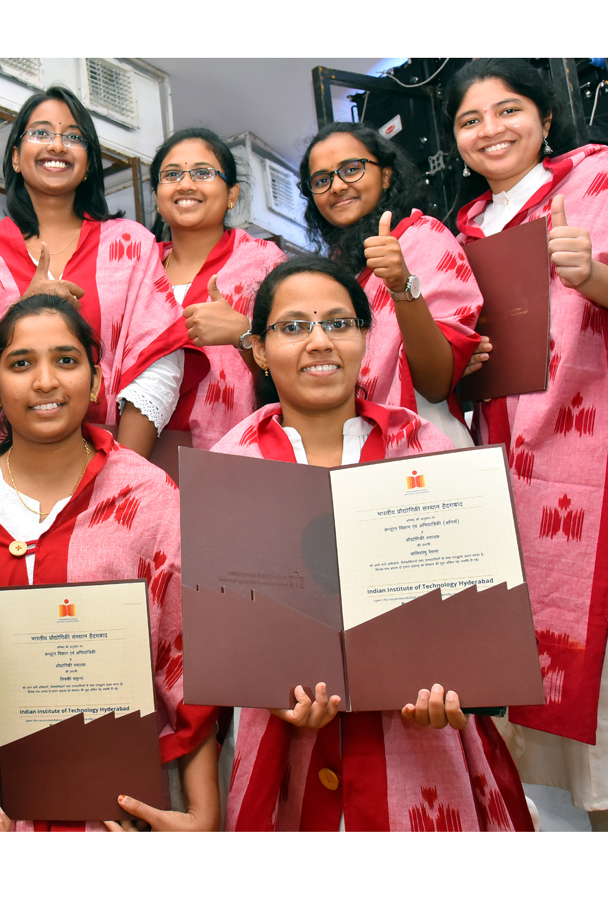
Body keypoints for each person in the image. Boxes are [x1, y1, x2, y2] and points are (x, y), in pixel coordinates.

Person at [213, 256, 532, 831]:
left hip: (420, 744)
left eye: (338, 323)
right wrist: (263, 687)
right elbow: (218, 627)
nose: (318, 342)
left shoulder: (425, 447)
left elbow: (473, 614)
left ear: (365, 336)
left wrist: (463, 679)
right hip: (281, 746)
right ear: (258, 349)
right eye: (293, 327)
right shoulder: (230, 464)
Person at [0, 293, 220, 832]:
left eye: (65, 360)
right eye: (20, 363)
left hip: (122, 818)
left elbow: (187, 658)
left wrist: (203, 815)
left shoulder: (147, 495)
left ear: (97, 380)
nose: (44, 381)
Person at [447, 58, 608, 830]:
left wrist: (597, 278)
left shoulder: (596, 180)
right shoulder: (462, 230)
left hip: (591, 464)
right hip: (499, 480)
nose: (491, 130)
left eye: (508, 110)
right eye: (470, 120)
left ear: (545, 119)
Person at [0, 86, 186, 459]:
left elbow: (158, 361)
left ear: (90, 162)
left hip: (112, 451)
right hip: (2, 461)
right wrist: (20, 311)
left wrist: (121, 470)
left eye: (73, 137)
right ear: (15, 156)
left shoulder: (131, 244)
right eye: (41, 132)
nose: (57, 146)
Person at [299, 122, 482, 448]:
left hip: (424, 444)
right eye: (322, 180)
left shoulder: (422, 237)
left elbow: (436, 384)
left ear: (385, 175)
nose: (337, 186)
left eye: (351, 169)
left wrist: (401, 285)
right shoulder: (331, 272)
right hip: (350, 451)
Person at [149, 127, 286, 449]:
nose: (185, 184)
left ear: (232, 195)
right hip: (138, 448)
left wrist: (244, 334)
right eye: (171, 175)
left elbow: (300, 363)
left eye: (202, 172)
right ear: (156, 198)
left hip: (234, 449)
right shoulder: (137, 266)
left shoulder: (264, 264)